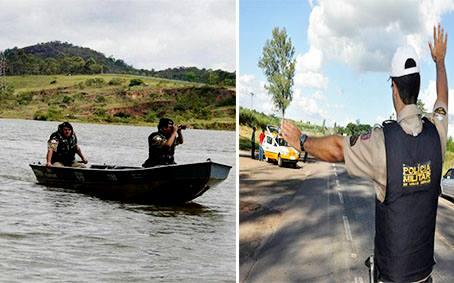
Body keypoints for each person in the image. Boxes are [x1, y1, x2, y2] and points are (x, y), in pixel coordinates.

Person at [281, 24, 448, 283]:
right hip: (424, 275)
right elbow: (442, 100)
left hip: (391, 277)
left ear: (394, 88)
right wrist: (440, 62)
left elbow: (338, 148)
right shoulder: (437, 134)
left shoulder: (383, 142)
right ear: (416, 86)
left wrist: (302, 141)